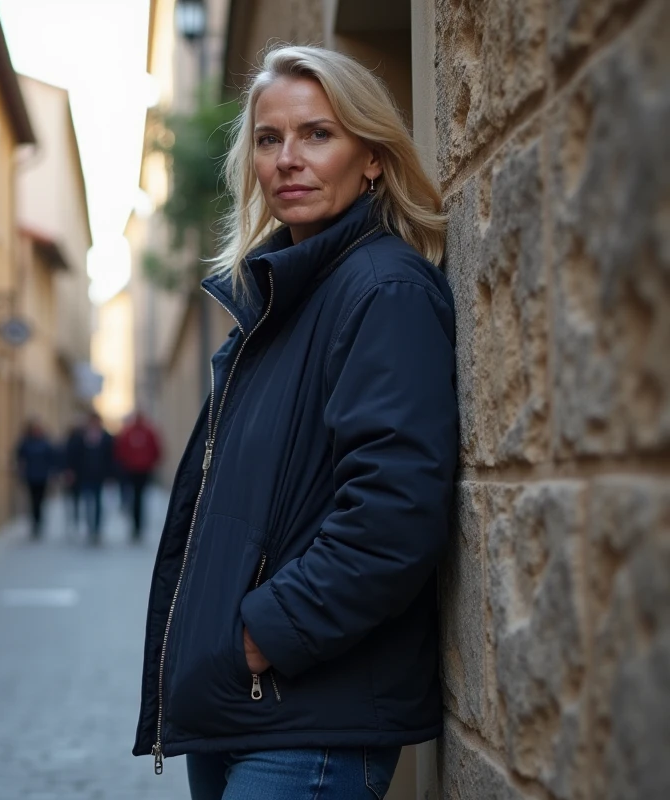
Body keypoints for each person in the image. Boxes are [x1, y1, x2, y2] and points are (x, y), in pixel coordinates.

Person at [133, 45, 458, 800]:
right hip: (245, 710)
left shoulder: (383, 292)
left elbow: (395, 511)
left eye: (318, 134)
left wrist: (260, 638)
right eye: (269, 139)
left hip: (310, 723)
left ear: (372, 158)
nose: (288, 159)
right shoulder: (279, 303)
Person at [63, 412, 114, 545]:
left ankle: (96, 529)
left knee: (97, 502)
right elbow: (73, 454)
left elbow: (111, 458)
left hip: (99, 475)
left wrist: (110, 475)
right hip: (84, 475)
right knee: (86, 501)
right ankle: (90, 527)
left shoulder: (106, 438)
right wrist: (71, 471)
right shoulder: (80, 437)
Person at [113, 411, 163, 542]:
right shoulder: (130, 432)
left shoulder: (147, 432)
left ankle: (138, 527)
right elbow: (121, 450)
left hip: (143, 470)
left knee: (139, 499)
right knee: (136, 499)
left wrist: (151, 463)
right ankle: (136, 526)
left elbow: (156, 450)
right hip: (132, 470)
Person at [15, 419, 58, 539]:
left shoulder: (45, 443)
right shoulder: (26, 443)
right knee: (32, 501)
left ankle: (39, 522)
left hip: (43, 476)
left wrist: (53, 474)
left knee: (40, 501)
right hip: (30, 476)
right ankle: (34, 523)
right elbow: (20, 458)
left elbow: (52, 459)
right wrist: (21, 473)